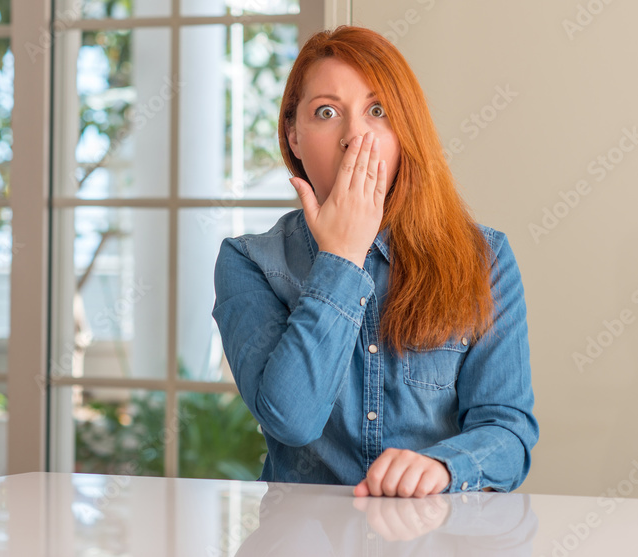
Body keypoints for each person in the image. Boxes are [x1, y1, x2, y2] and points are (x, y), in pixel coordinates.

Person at [211, 25, 539, 497]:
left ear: (405, 133)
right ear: (294, 137)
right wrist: (341, 256)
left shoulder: (485, 258)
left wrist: (444, 467)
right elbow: (292, 421)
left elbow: (508, 433)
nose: (354, 136)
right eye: (326, 112)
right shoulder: (248, 263)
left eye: (377, 111)